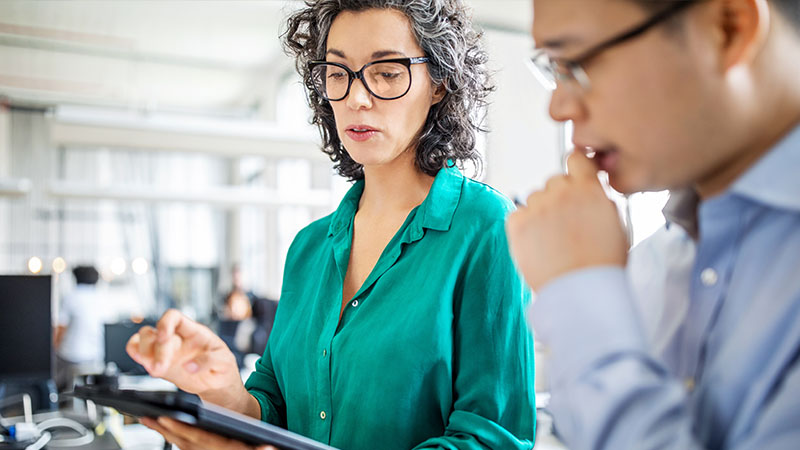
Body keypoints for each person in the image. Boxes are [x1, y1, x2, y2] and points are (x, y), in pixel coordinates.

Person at [127, 1, 536, 449]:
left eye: (387, 72)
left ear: (438, 83)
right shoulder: (309, 247)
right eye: (339, 74)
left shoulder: (487, 228)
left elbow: (493, 440)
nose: (357, 97)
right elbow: (276, 405)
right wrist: (223, 390)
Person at [506, 0, 800, 448]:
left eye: (577, 63)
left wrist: (580, 296)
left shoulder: (598, 282)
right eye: (553, 68)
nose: (558, 108)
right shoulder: (655, 260)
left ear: (728, 29)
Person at [54, 265, 107, 390]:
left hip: (71, 355)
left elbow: (61, 327)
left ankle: (57, 399)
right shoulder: (101, 298)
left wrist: (53, 346)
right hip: (96, 355)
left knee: (52, 368)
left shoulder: (71, 297)